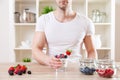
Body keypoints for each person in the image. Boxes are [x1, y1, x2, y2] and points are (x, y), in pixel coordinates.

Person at [32, 0, 97, 69]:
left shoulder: (86, 22)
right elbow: (36, 49)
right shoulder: (44, 20)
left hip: (76, 69)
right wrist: (48, 60)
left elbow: (91, 51)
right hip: (52, 69)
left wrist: (89, 68)